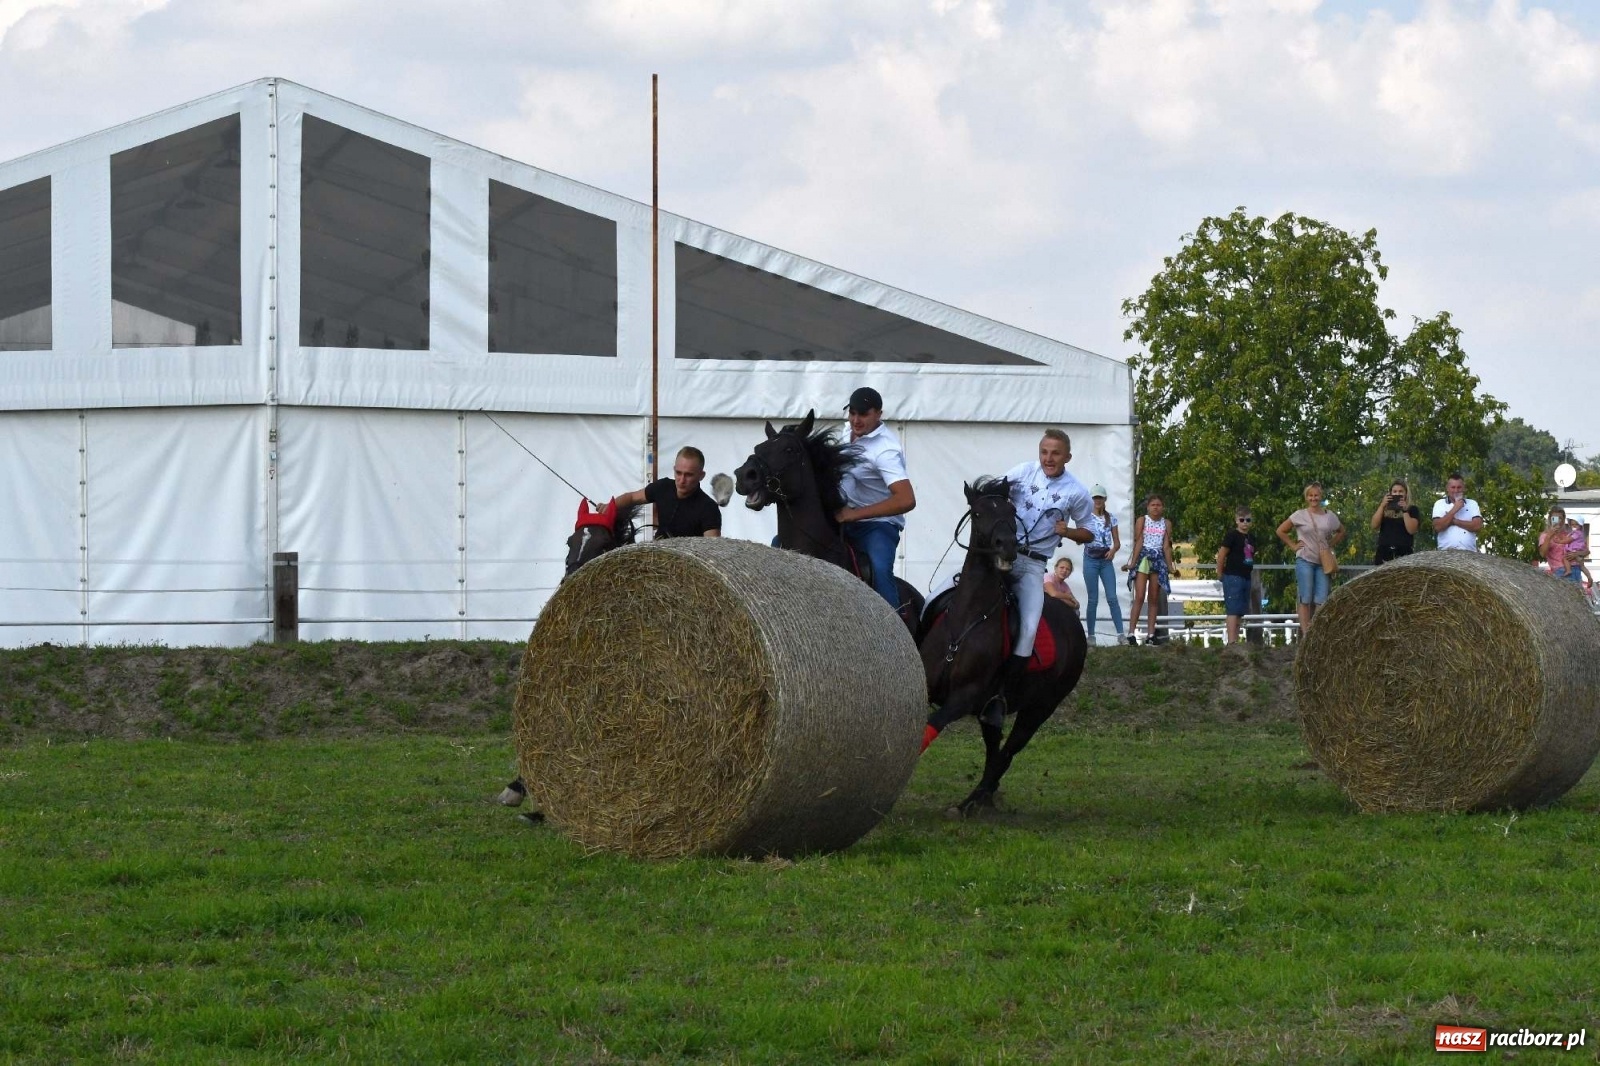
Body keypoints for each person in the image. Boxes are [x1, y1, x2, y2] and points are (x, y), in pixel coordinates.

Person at [989, 428, 1094, 724]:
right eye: (1044, 452)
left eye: (1055, 453)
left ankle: (1002, 696)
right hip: (999, 557)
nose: (1048, 458)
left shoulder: (1077, 491)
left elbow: (1090, 533)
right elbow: (993, 493)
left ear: (1067, 457)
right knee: (945, 594)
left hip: (1033, 566)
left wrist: (1068, 532)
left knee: (1030, 626)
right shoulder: (1023, 472)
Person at [836, 386, 917, 609]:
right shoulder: (846, 432)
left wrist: (853, 515)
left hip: (878, 526)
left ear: (879, 414)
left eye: (863, 414)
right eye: (852, 413)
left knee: (879, 569)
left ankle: (894, 634)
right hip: (842, 517)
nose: (856, 420)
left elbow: (906, 499)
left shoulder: (886, 450)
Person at [1277, 481, 1344, 632]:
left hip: (1323, 562)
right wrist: (1293, 545)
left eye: (1316, 495)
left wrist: (1330, 544)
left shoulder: (1329, 516)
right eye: (1310, 495)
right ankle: (1306, 633)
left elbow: (1341, 531)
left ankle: (1318, 632)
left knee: (1321, 599)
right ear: (1306, 497)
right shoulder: (1299, 515)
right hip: (1305, 559)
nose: (1314, 498)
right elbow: (1281, 530)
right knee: (1305, 597)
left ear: (1321, 497)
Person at [614, 446, 722, 538]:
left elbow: (711, 549)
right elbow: (632, 497)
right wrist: (610, 507)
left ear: (701, 476)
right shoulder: (663, 487)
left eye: (689, 475)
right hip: (657, 554)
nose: (682, 480)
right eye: (678, 473)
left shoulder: (709, 508)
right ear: (674, 469)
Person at [1124, 494, 1174, 645]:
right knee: (1139, 596)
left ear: (1162, 507)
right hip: (1144, 557)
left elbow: (1166, 546)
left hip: (1158, 558)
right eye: (1153, 505)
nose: (1156, 508)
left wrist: (1170, 566)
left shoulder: (1166, 523)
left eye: (1159, 505)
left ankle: (1151, 634)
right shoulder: (1142, 520)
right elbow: (1138, 541)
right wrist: (1133, 563)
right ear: (1148, 507)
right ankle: (1131, 633)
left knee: (1153, 598)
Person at [1081, 485, 1124, 645]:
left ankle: (1121, 634)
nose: (1097, 500)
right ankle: (1091, 635)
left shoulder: (1111, 518)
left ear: (1104, 499)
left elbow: (1117, 542)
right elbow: (1081, 537)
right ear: (1091, 500)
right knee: (1093, 599)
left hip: (1105, 560)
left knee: (1112, 597)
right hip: (1090, 558)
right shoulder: (1086, 517)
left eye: (1100, 497)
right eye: (1095, 498)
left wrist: (1112, 551)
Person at [1215, 506, 1255, 645]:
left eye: (1248, 520)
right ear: (1236, 521)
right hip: (1232, 575)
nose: (1245, 523)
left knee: (1240, 611)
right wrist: (1220, 573)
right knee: (1232, 609)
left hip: (1246, 576)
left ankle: (1236, 639)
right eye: (1242, 520)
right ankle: (1231, 642)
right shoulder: (1232, 535)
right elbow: (1222, 554)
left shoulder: (1251, 538)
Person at [1370, 480, 1420, 564]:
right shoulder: (1384, 509)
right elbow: (1374, 525)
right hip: (1384, 552)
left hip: (1404, 553)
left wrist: (1405, 511)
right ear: (1390, 493)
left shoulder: (1412, 509)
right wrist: (1382, 505)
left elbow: (1412, 530)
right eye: (1395, 491)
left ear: (1406, 493)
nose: (1397, 494)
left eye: (1401, 491)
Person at [1431, 472, 1482, 552]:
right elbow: (1437, 527)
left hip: (1469, 553)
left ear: (1464, 488)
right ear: (1447, 488)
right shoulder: (1439, 504)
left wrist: (1454, 521)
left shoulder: (1472, 503)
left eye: (1459, 487)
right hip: (1445, 553)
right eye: (1453, 487)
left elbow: (1477, 526)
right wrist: (1455, 509)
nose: (1456, 490)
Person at [1539, 508, 1572, 579]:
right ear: (1550, 519)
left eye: (1560, 518)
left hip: (1573, 569)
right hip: (1558, 571)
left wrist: (1577, 554)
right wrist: (1549, 537)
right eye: (1554, 518)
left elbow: (1584, 549)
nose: (1558, 521)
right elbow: (1542, 554)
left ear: (1563, 520)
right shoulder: (1545, 535)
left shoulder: (1569, 535)